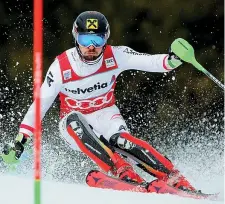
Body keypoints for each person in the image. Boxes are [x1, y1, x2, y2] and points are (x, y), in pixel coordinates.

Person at [2, 11, 195, 192]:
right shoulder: (61, 66)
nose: (91, 47)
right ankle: (123, 171)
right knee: (74, 120)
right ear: (76, 38)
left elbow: (149, 61)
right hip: (73, 123)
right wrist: (21, 140)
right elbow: (40, 103)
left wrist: (172, 60)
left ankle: (175, 178)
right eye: (85, 40)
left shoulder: (116, 55)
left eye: (98, 39)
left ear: (106, 39)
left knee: (121, 141)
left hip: (106, 114)